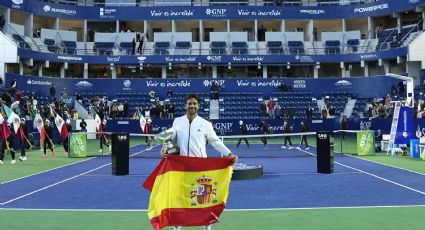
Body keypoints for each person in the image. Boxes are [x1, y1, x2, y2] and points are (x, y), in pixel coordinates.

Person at [161, 94, 237, 230]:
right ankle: (177, 227)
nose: (192, 106)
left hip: (200, 168)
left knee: (203, 199)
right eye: (189, 103)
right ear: (185, 105)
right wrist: (165, 148)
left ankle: (207, 228)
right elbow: (171, 141)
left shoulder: (205, 124)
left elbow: (215, 142)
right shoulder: (177, 122)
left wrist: (229, 153)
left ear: (198, 106)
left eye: (194, 104)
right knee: (179, 198)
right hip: (181, 167)